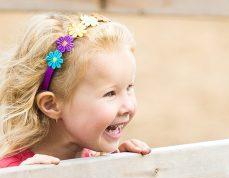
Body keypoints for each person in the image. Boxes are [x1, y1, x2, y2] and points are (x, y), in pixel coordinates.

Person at [0, 13, 150, 168]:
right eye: (110, 93)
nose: (128, 107)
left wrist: (119, 170)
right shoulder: (9, 173)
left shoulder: (96, 161)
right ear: (51, 104)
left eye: (129, 87)